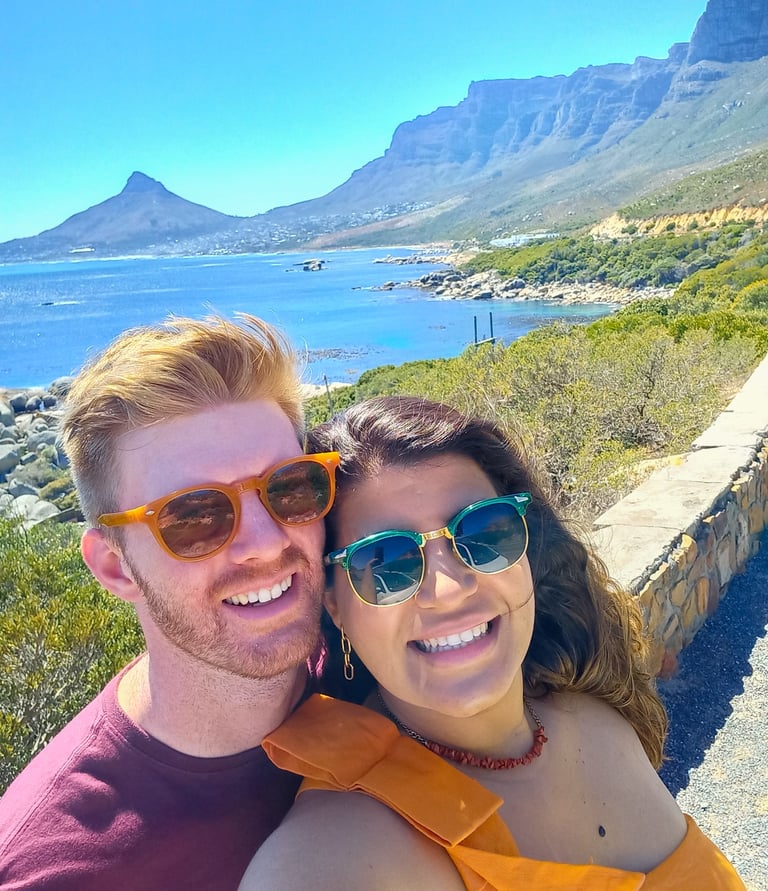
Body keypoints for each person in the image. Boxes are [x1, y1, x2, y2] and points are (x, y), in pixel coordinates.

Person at [240, 395, 745, 890]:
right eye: (388, 564)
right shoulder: (336, 851)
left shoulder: (600, 713)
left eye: (483, 532)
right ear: (335, 608)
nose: (450, 587)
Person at [0, 313, 340, 891]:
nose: (266, 542)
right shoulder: (56, 867)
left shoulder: (389, 653)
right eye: (194, 517)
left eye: (288, 487)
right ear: (114, 566)